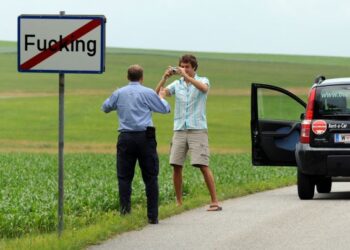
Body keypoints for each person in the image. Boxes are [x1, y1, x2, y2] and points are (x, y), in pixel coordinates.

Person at [102, 64, 170, 224]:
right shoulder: (147, 92)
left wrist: (116, 97)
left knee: (124, 177)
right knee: (151, 177)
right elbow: (164, 109)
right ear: (142, 78)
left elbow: (105, 107)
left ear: (127, 77)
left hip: (125, 137)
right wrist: (162, 98)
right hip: (146, 137)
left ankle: (125, 214)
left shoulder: (119, 93)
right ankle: (152, 216)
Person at [155, 54, 222, 211]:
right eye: (182, 67)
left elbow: (204, 89)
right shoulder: (176, 84)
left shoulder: (203, 80)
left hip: (197, 128)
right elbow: (156, 94)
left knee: (202, 164)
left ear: (194, 68)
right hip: (179, 128)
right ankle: (179, 202)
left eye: (187, 67)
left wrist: (187, 77)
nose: (184, 69)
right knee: (176, 165)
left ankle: (215, 201)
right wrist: (164, 78)